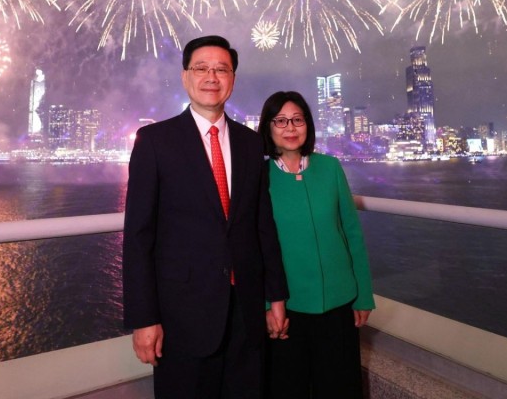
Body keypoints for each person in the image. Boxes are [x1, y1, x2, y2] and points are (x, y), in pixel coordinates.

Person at [123, 35, 290, 399]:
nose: (211, 77)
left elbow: (262, 226)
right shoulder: (155, 141)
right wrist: (144, 318)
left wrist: (276, 296)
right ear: (185, 76)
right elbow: (138, 237)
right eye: (201, 68)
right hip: (182, 313)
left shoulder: (250, 143)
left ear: (233, 79)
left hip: (246, 309)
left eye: (221, 69)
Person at [258, 90, 375, 398]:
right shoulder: (259, 177)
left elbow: (351, 233)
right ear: (268, 127)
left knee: (341, 388)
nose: (290, 127)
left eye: (297, 119)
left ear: (308, 125)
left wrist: (363, 295)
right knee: (288, 388)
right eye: (280, 120)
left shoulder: (330, 168)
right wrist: (268, 305)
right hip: (288, 306)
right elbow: (255, 248)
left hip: (339, 302)